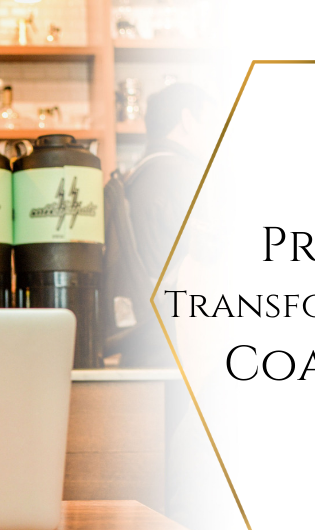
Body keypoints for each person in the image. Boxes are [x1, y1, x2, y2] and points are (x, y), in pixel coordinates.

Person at [107, 83, 216, 368]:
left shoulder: (135, 176)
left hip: (143, 346)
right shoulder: (188, 177)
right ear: (188, 120)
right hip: (181, 352)